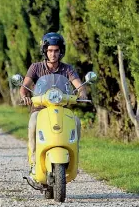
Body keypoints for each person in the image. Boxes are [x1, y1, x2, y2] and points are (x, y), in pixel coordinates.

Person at [20, 32, 88, 174]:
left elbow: (79, 85)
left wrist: (82, 93)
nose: (53, 54)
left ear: (61, 51)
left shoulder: (67, 69)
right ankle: (33, 161)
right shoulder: (35, 67)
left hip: (61, 110)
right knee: (33, 123)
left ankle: (73, 156)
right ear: (45, 51)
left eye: (56, 51)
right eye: (50, 50)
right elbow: (24, 87)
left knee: (76, 122)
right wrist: (24, 96)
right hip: (40, 110)